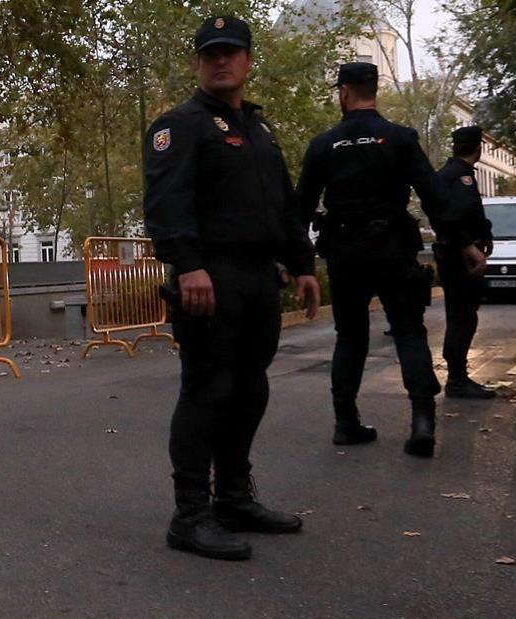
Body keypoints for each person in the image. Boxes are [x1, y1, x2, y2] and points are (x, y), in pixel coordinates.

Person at [143, 15, 320, 561]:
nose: (221, 60)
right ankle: (190, 515)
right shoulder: (180, 124)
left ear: (247, 60)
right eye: (210, 53)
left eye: (231, 51)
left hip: (258, 279)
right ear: (198, 63)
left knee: (249, 389)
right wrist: (188, 265)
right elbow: (166, 203)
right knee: (207, 390)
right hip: (210, 280)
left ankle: (234, 498)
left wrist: (302, 262)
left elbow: (284, 206)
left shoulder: (261, 131)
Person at [296, 62, 443, 457]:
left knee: (351, 336)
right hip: (393, 246)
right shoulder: (399, 138)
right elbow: (433, 194)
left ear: (343, 92)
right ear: (373, 90)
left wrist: (298, 263)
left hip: (344, 251)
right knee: (409, 330)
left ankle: (346, 422)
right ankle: (423, 422)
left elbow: (300, 207)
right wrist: (458, 241)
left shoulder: (324, 144)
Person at [431, 126, 494, 399]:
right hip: (459, 257)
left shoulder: (451, 174)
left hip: (457, 253)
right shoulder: (458, 177)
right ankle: (457, 379)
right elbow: (454, 216)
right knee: (462, 317)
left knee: (462, 315)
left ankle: (459, 376)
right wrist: (470, 246)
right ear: (478, 147)